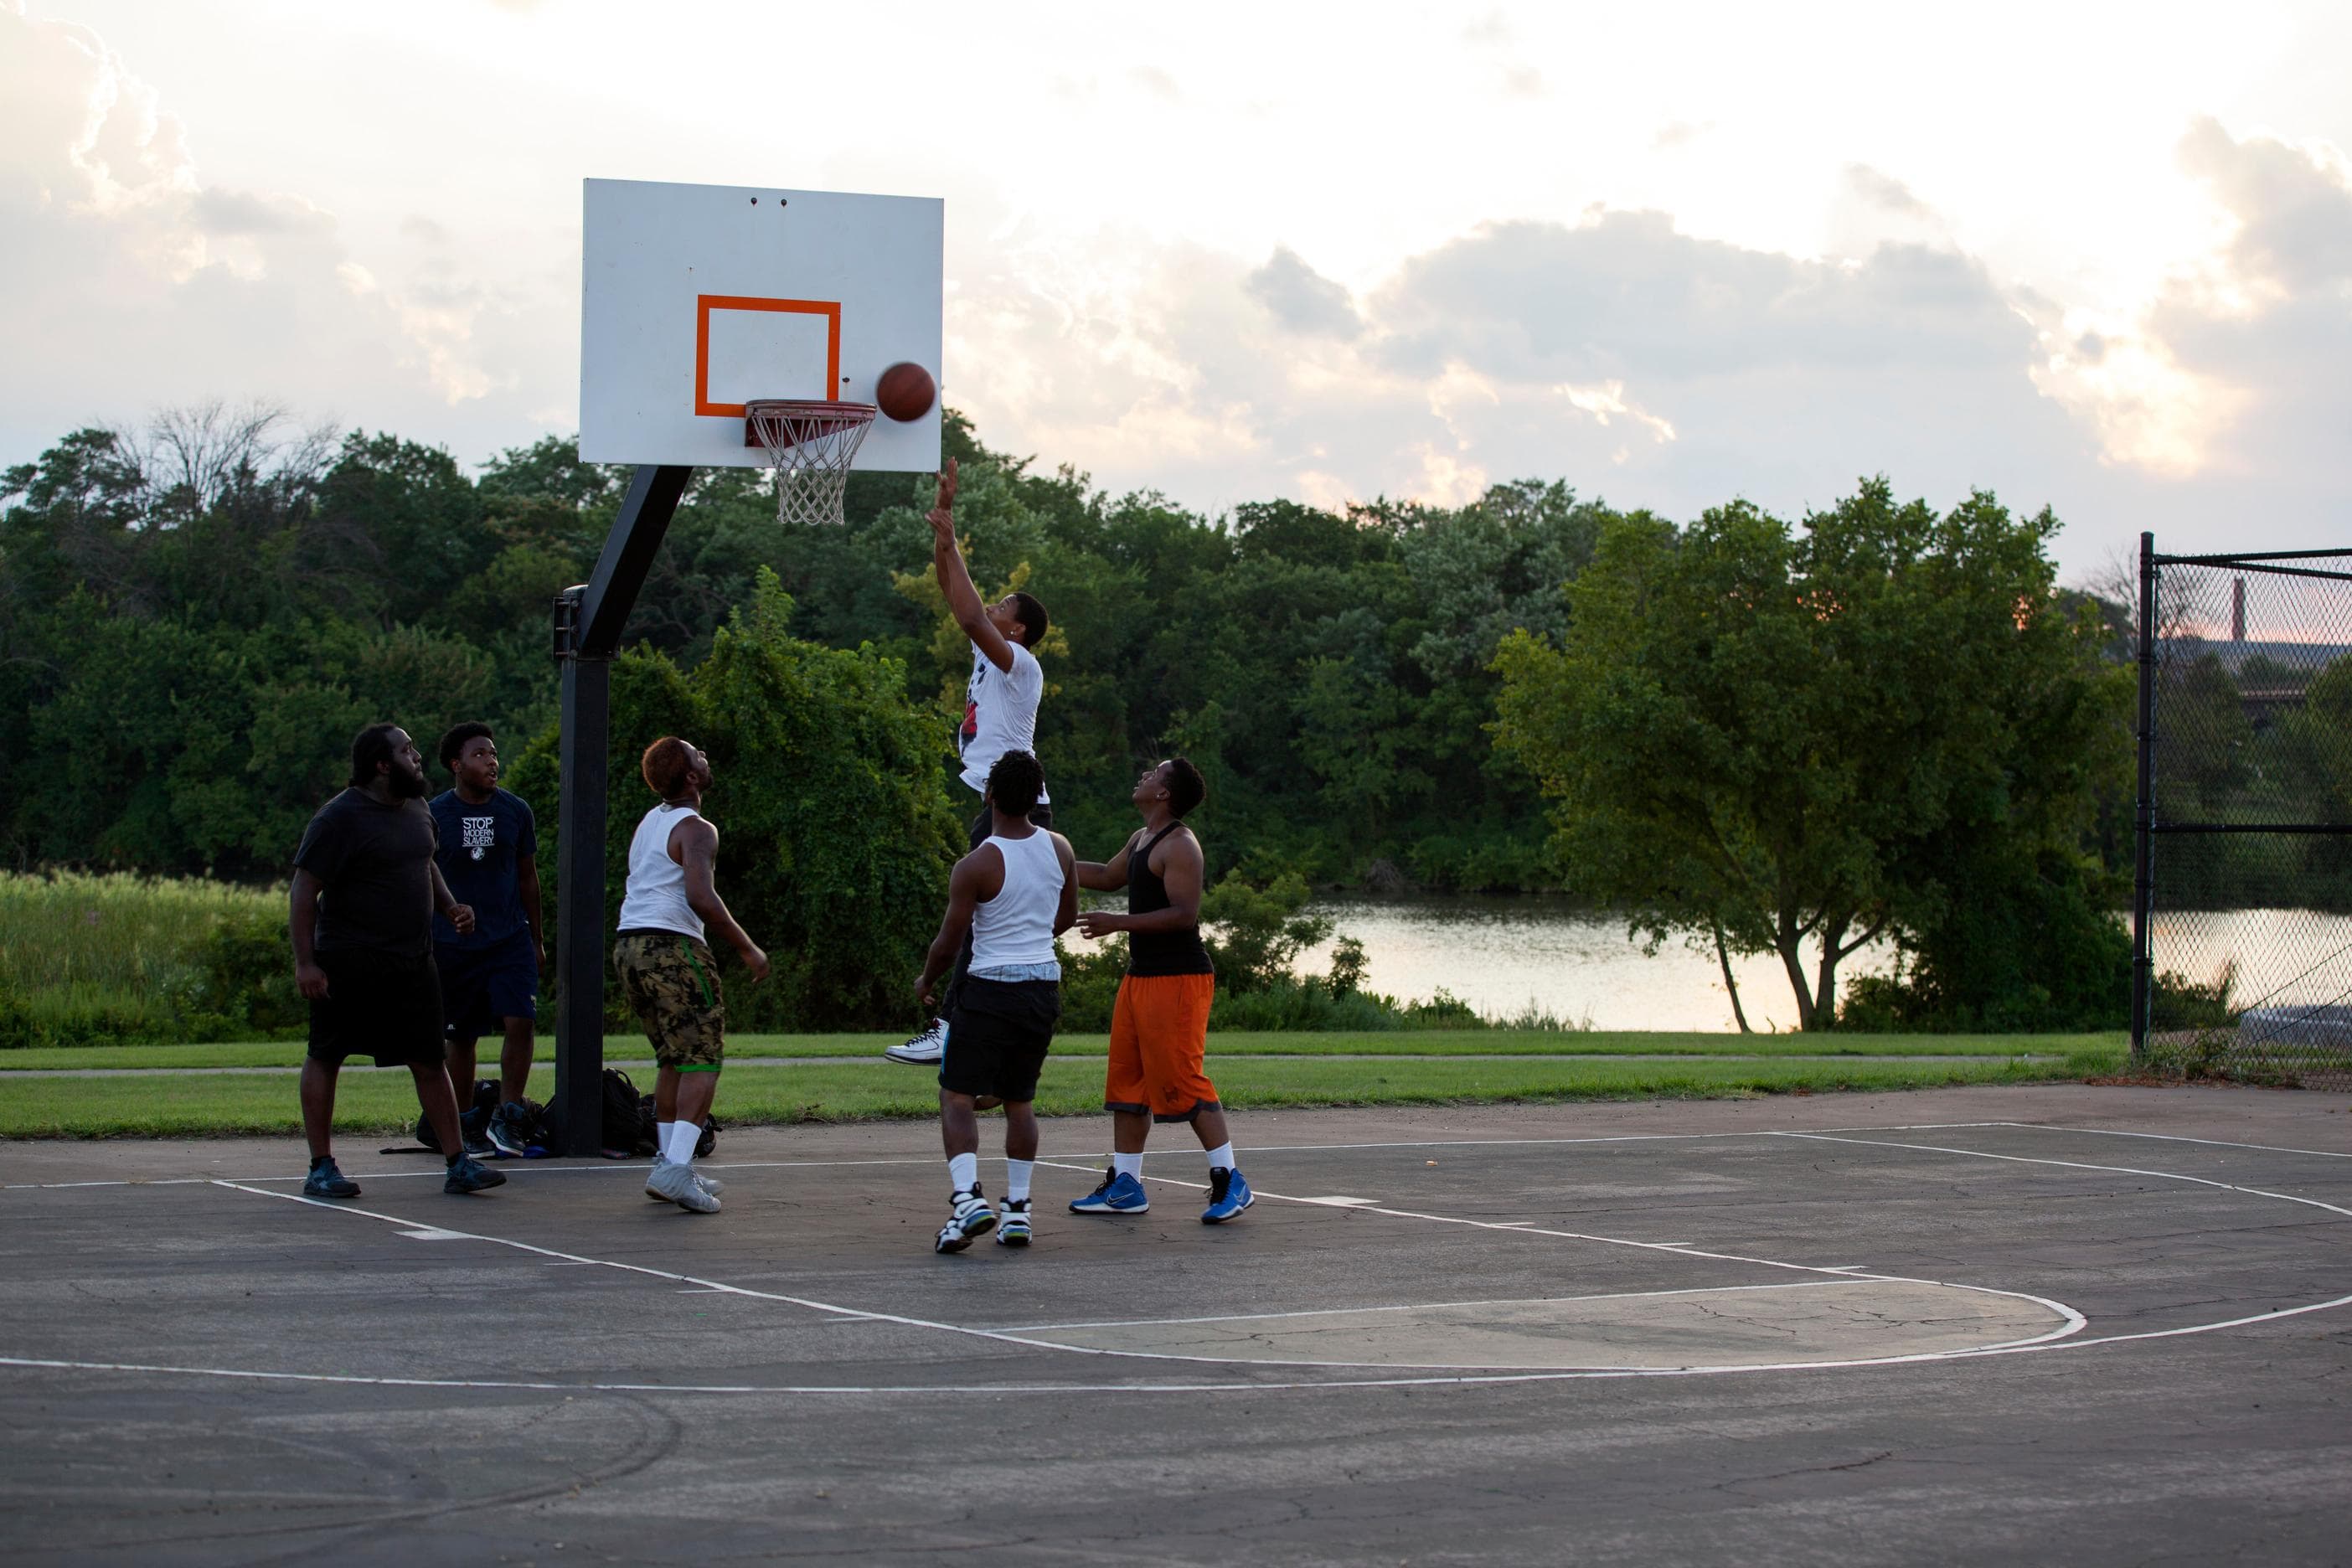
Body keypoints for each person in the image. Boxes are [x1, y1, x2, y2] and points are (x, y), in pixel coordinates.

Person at [289, 723, 507, 1200]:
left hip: (413, 961)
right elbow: (305, 890)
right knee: (327, 1055)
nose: (418, 757)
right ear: (382, 765)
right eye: (407, 751)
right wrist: (306, 963)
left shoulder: (416, 809)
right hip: (349, 960)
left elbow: (425, 861)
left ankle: (457, 1163)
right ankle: (321, 1167)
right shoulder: (338, 818)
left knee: (430, 1059)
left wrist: (450, 908)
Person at [887, 456, 1055, 1067]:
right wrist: (944, 536)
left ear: (1018, 630)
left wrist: (953, 539)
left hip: (1016, 803)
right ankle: (973, 1023)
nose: (994, 607)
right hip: (1005, 797)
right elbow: (954, 594)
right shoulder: (995, 652)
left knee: (976, 913)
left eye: (1004, 605)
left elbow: (964, 610)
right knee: (987, 917)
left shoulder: (1020, 664)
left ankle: (953, 1027)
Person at [1069, 758, 1253, 1224]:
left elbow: (1184, 914)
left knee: (1182, 1080)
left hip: (1179, 978)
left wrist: (1117, 924)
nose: (1144, 775)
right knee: (1127, 1082)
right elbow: (1107, 878)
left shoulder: (1181, 845)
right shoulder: (1141, 838)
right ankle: (1127, 1184)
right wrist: (1048, 856)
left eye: (1154, 773)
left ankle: (1230, 1179)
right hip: (1141, 977)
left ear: (1165, 793)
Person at [914, 750, 1076, 1253]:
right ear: (1036, 797)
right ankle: (1018, 1212)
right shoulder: (1061, 849)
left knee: (957, 1095)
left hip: (988, 988)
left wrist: (926, 979)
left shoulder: (977, 863)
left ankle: (966, 1200)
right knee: (1019, 1101)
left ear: (988, 795)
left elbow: (950, 941)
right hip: (1042, 987)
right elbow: (1066, 917)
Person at [613, 736, 769, 1214]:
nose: (706, 753)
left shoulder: (651, 822)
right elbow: (701, 896)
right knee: (702, 1056)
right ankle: (676, 1170)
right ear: (692, 778)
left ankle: (669, 1161)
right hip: (671, 946)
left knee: (673, 1059)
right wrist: (747, 947)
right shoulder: (697, 828)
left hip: (629, 945)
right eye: (698, 753)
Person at [427, 722, 544, 1159]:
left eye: (493, 754)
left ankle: (508, 1115)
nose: (492, 762)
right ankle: (464, 1124)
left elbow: (528, 878)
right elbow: (423, 878)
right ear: (457, 765)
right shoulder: (435, 814)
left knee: (521, 1020)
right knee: (461, 1036)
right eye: (480, 755)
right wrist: (442, 919)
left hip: (509, 938)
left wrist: (537, 938)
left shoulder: (516, 811)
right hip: (454, 945)